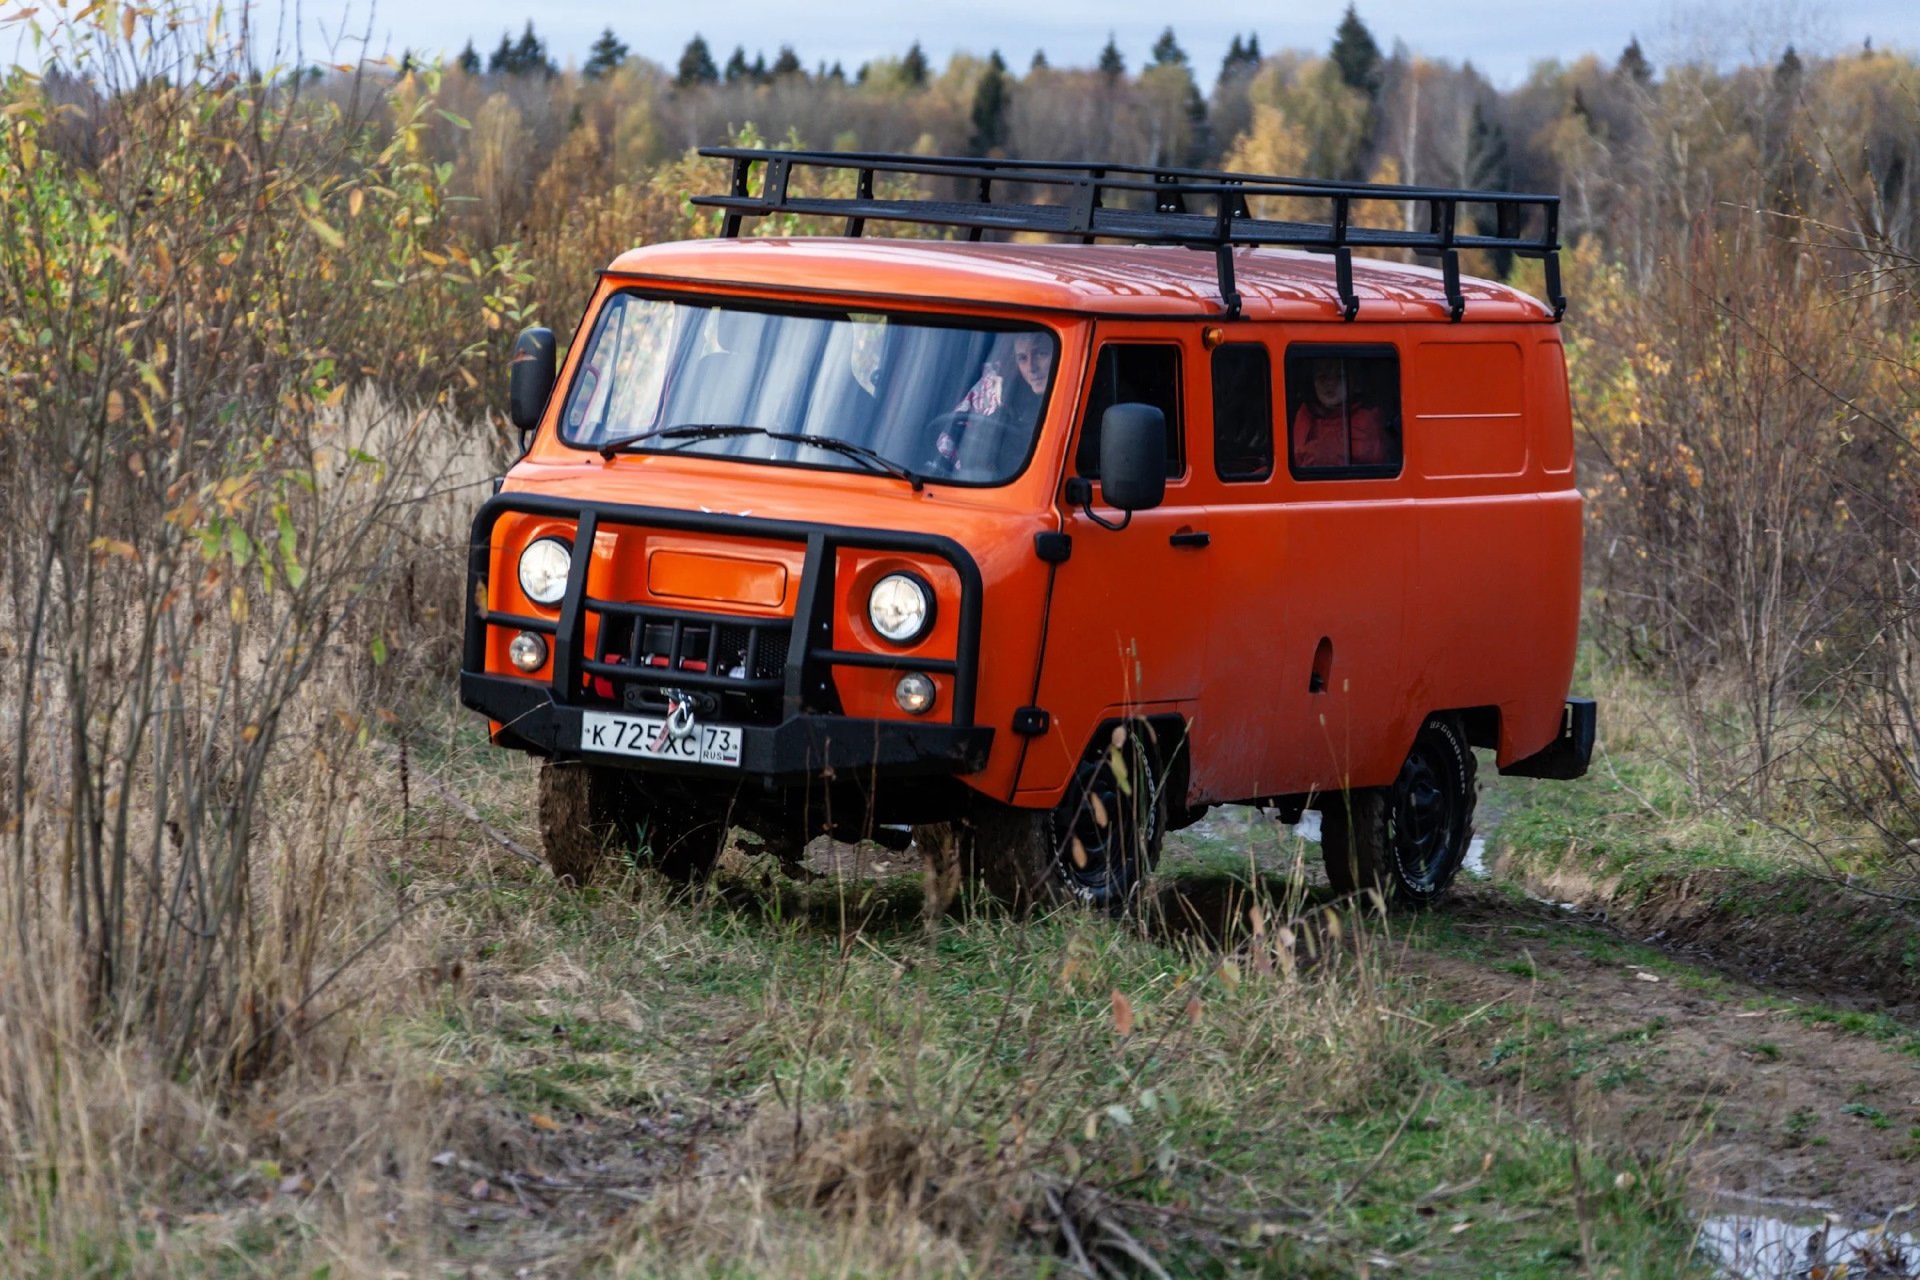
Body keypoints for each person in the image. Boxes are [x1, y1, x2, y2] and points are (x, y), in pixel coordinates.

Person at [934, 331, 1053, 473]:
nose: (1031, 368)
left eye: (1041, 354)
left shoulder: (1074, 404)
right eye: (1022, 358)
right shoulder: (1005, 398)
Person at [1291, 358, 1391, 469]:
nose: (1330, 383)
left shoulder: (1366, 420)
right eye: (1322, 376)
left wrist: (1301, 456)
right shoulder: (1304, 414)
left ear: (1355, 383)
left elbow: (1324, 456)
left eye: (1339, 376)